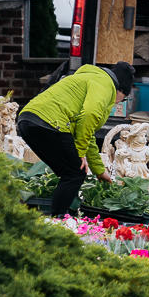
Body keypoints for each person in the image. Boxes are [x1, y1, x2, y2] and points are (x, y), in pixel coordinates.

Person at [18, 62, 133, 216]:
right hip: (50, 122)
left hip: (27, 120)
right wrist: (80, 152)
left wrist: (99, 171)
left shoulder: (88, 77)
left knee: (69, 171)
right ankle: (57, 221)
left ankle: (52, 219)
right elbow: (89, 115)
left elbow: (86, 131)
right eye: (123, 99)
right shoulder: (106, 85)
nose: (117, 103)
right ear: (120, 90)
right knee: (74, 173)